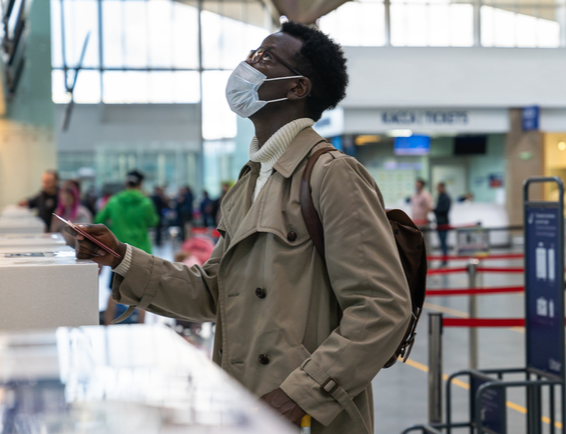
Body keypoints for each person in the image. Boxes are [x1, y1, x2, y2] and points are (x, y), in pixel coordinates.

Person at [69, 22, 410, 434]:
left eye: (265, 58)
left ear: (298, 88)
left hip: (305, 413)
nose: (248, 64)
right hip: (245, 404)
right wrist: (122, 259)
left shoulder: (332, 175)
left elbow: (381, 309)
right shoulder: (252, 179)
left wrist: (298, 396)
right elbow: (214, 292)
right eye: (252, 54)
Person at [95, 170, 159, 325]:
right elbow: (154, 221)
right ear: (141, 184)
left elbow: (98, 220)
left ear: (126, 183)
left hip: (119, 253)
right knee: (142, 293)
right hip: (142, 253)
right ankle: (141, 328)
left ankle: (108, 326)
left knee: (114, 290)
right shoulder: (146, 202)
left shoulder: (114, 201)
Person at [434, 182, 451, 266]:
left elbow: (443, 210)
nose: (437, 189)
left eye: (439, 187)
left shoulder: (446, 198)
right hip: (439, 223)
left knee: (443, 243)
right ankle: (444, 260)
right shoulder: (441, 197)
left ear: (443, 187)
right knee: (441, 243)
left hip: (443, 223)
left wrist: (434, 210)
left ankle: (445, 261)